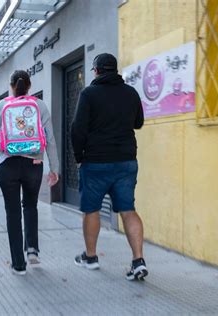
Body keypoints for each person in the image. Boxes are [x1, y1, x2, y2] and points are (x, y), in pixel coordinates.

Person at [71, 53, 147, 281]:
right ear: (115, 70)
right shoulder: (131, 93)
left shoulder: (89, 94)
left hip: (96, 162)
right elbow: (139, 123)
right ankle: (138, 260)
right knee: (128, 209)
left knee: (91, 209)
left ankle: (91, 257)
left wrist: (78, 156)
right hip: (126, 161)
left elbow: (77, 129)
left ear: (96, 71)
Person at [0, 70, 59, 275]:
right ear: (29, 85)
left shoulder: (2, 105)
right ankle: (32, 249)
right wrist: (55, 168)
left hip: (7, 165)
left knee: (12, 212)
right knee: (30, 205)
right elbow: (50, 138)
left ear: (11, 86)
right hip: (33, 163)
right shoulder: (39, 105)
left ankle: (18, 264)